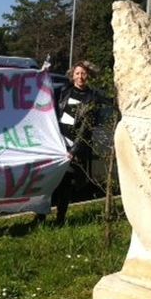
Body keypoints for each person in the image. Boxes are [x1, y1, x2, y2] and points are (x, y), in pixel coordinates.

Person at [52, 61, 102, 225]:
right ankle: (41, 217)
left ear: (88, 76)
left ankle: (60, 219)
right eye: (77, 73)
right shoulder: (64, 91)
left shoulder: (91, 98)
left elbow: (85, 130)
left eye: (83, 73)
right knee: (50, 181)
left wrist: (74, 150)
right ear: (72, 75)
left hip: (72, 147)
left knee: (66, 184)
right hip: (56, 142)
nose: (80, 77)